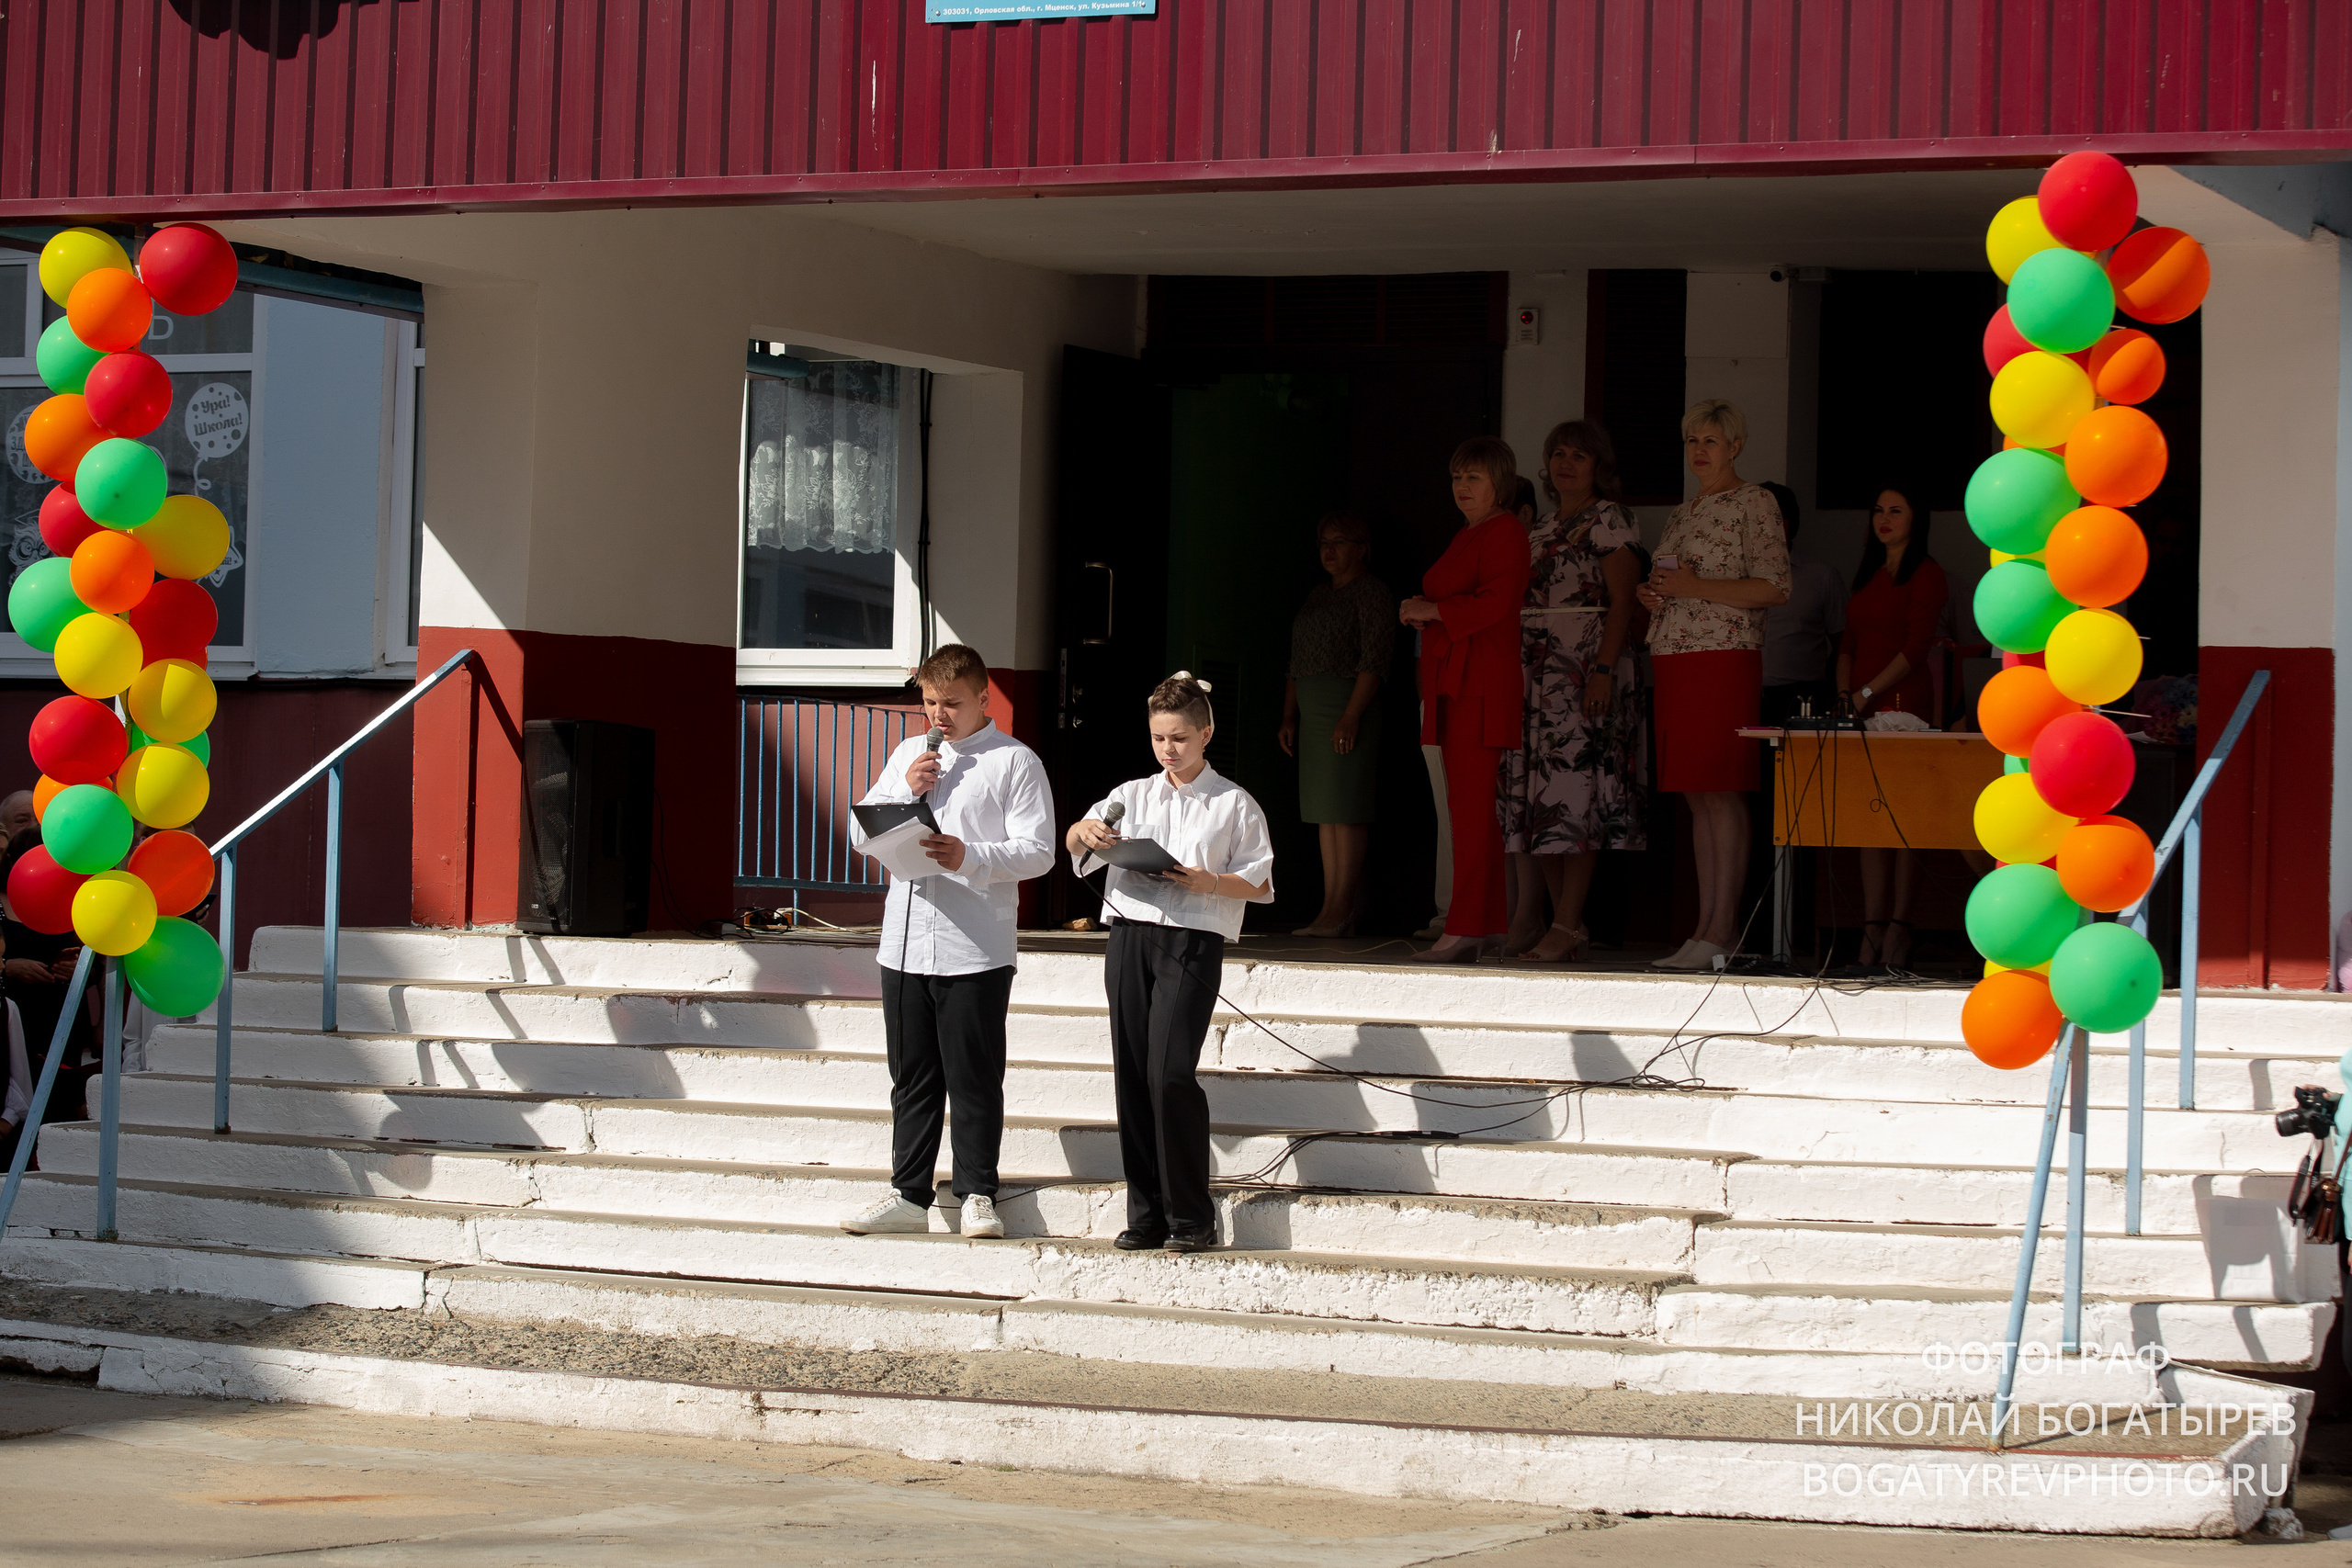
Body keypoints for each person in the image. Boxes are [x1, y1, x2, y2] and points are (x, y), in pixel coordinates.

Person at [840, 644, 1055, 1241]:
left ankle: (978, 1192)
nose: (938, 715)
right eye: (929, 702)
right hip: (905, 940)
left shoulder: (1015, 762)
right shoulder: (910, 753)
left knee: (973, 1075)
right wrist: (904, 792)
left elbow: (1039, 850)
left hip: (975, 944)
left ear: (984, 698)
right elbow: (865, 835)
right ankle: (908, 1193)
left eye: (952, 703)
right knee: (911, 1075)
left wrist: (970, 855)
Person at [1069, 672, 1273, 1252]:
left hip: (1191, 937)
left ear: (1206, 732)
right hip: (1130, 934)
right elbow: (1077, 841)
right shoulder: (1132, 794)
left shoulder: (1233, 802)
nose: (1168, 750)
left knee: (1169, 1072)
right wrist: (1084, 832)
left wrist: (1210, 880)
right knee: (1132, 1072)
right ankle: (1146, 1213)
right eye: (1159, 738)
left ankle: (1191, 1213)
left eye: (1180, 737)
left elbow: (1259, 883)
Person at [1636, 400, 1792, 971]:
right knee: (1697, 794)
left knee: (1721, 788)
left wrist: (1695, 585)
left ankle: (1724, 929)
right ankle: (1703, 928)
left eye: (1710, 440)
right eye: (1691, 441)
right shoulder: (1681, 511)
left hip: (1724, 655)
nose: (1699, 450)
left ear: (1734, 446)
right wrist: (1651, 594)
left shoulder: (1755, 502)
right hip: (1675, 654)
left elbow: (1775, 587)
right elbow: (1676, 580)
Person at [1499, 420, 1645, 964]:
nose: (1565, 464)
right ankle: (1569, 924)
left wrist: (1604, 671)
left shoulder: (1610, 518)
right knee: (1545, 803)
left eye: (1579, 456)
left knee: (1578, 794)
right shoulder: (1536, 529)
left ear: (1598, 465)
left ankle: (1565, 921)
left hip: (1584, 670)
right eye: (1557, 453)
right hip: (1535, 676)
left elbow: (1624, 600)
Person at [1400, 437, 1531, 962]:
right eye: (1457, 477)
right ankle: (1486, 922)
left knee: (1473, 809)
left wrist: (1431, 610)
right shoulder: (1469, 534)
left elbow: (1497, 602)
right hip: (1454, 680)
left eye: (1473, 477)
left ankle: (1467, 923)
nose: (1462, 487)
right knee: (1467, 807)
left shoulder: (1506, 531)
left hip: (1478, 682)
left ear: (1499, 482)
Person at [1837, 484, 1950, 972]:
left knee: (1903, 823)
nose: (1884, 518)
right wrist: (1846, 695)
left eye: (1896, 510)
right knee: (1869, 822)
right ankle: (1870, 928)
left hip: (1905, 705)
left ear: (1915, 518)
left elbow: (1918, 646)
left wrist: (1866, 694)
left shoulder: (1927, 574)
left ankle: (1900, 930)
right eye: (1878, 509)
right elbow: (1847, 640)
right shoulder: (1865, 571)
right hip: (1856, 708)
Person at [1279, 513, 1394, 936]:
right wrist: (1290, 714)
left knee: (1346, 810)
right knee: (1326, 814)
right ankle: (1330, 908)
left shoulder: (1372, 592)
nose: (1329, 551)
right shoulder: (1316, 596)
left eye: (1340, 542)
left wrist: (1351, 715)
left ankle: (1343, 908)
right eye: (1323, 542)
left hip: (1348, 708)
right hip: (1312, 712)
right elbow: (1296, 662)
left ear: (1362, 547)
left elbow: (1375, 660)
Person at [1, 827, 92, 1131]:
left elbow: (96, 962)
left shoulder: (71, 902)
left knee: (59, 1106)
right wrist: (7, 967)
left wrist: (77, 966)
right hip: (15, 1019)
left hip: (61, 1018)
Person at [1758, 482, 1848, 723]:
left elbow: (1844, 644)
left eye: (1768, 519)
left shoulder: (1821, 576)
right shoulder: (1734, 577)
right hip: (1744, 694)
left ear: (1787, 524)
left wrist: (1831, 692)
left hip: (1802, 700)